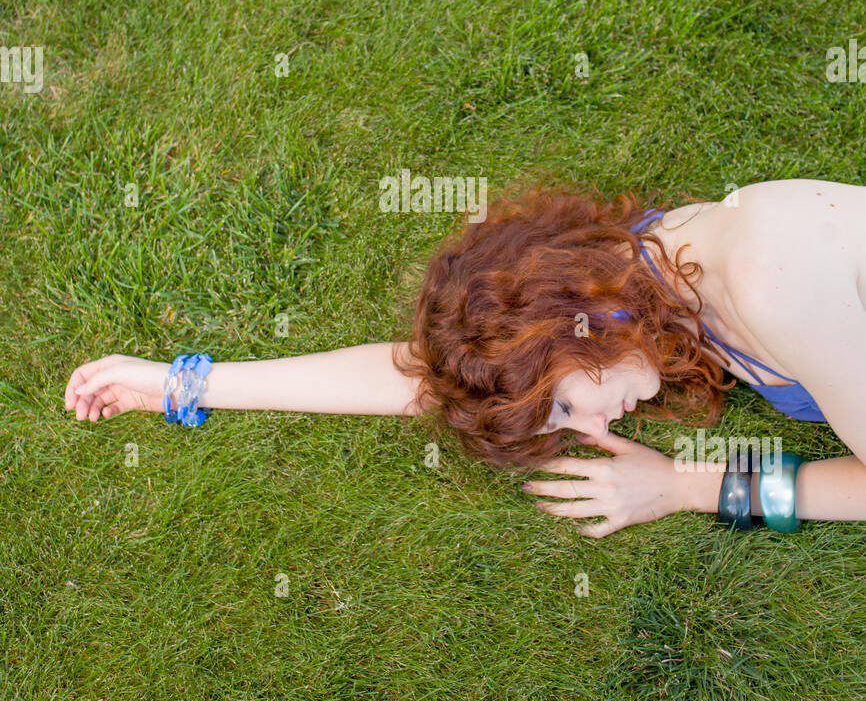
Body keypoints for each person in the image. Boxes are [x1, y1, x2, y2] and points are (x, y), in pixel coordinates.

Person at [65, 178, 866, 538]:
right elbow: (442, 375)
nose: (592, 428)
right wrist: (181, 383)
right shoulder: (631, 272)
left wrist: (682, 486)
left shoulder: (769, 285)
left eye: (562, 410)